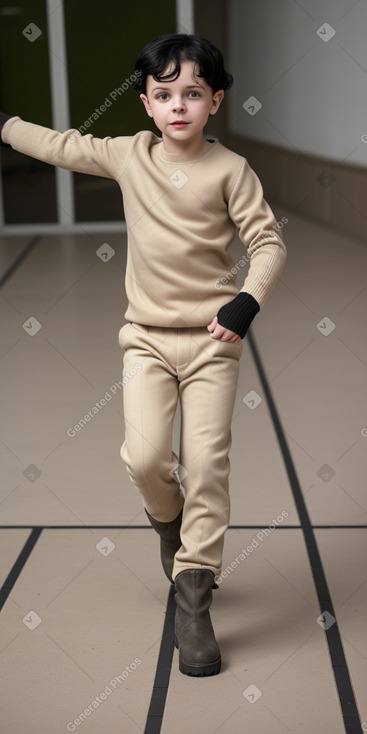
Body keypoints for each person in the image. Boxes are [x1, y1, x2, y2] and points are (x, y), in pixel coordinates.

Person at [0, 33, 287, 677]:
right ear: (146, 105)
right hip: (146, 339)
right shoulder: (129, 156)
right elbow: (61, 146)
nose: (178, 105)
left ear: (214, 101)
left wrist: (246, 301)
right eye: (164, 95)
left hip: (213, 341)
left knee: (206, 463)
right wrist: (6, 125)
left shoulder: (231, 170)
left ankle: (193, 595)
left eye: (192, 94)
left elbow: (268, 243)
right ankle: (169, 525)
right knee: (146, 456)